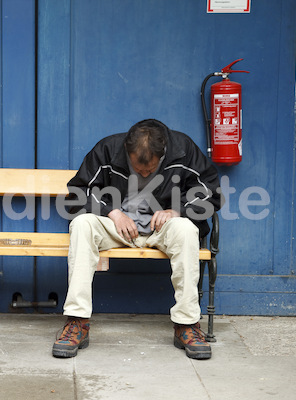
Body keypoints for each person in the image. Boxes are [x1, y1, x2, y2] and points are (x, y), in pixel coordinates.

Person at [52, 119, 221, 360]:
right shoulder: (109, 149)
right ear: (126, 152)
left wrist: (176, 210)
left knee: (185, 229)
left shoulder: (183, 150)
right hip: (117, 228)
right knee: (82, 224)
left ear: (162, 156)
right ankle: (77, 322)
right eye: (137, 168)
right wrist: (112, 211)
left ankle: (186, 324)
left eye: (149, 170)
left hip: (162, 227)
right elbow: (78, 193)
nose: (143, 173)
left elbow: (211, 194)